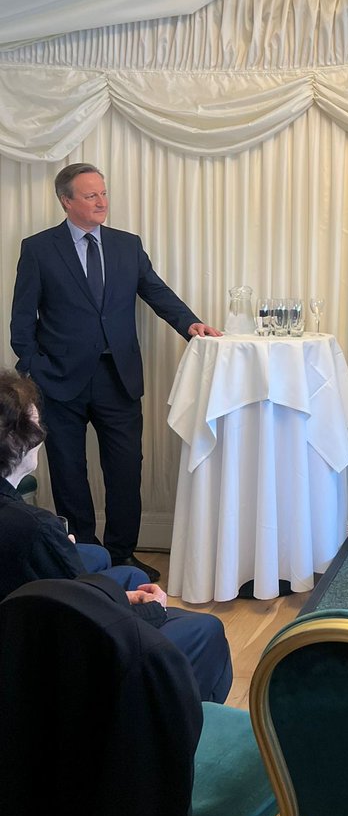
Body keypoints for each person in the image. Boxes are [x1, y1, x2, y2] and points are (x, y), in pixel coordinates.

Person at [9, 162, 222, 581]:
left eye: (103, 193)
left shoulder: (127, 245)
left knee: (125, 470)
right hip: (59, 381)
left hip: (118, 378)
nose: (101, 201)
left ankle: (122, 555)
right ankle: (85, 559)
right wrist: (32, 369)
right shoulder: (38, 248)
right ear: (66, 201)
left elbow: (155, 290)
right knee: (70, 474)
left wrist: (190, 324)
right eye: (91, 195)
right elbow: (21, 319)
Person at [0, 370, 232, 703]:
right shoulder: (35, 528)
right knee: (205, 629)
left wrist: (120, 593)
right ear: (18, 443)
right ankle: (172, 738)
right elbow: (82, 621)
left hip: (25, 636)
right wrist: (152, 610)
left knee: (131, 575)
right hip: (56, 668)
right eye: (38, 429)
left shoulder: (32, 525)